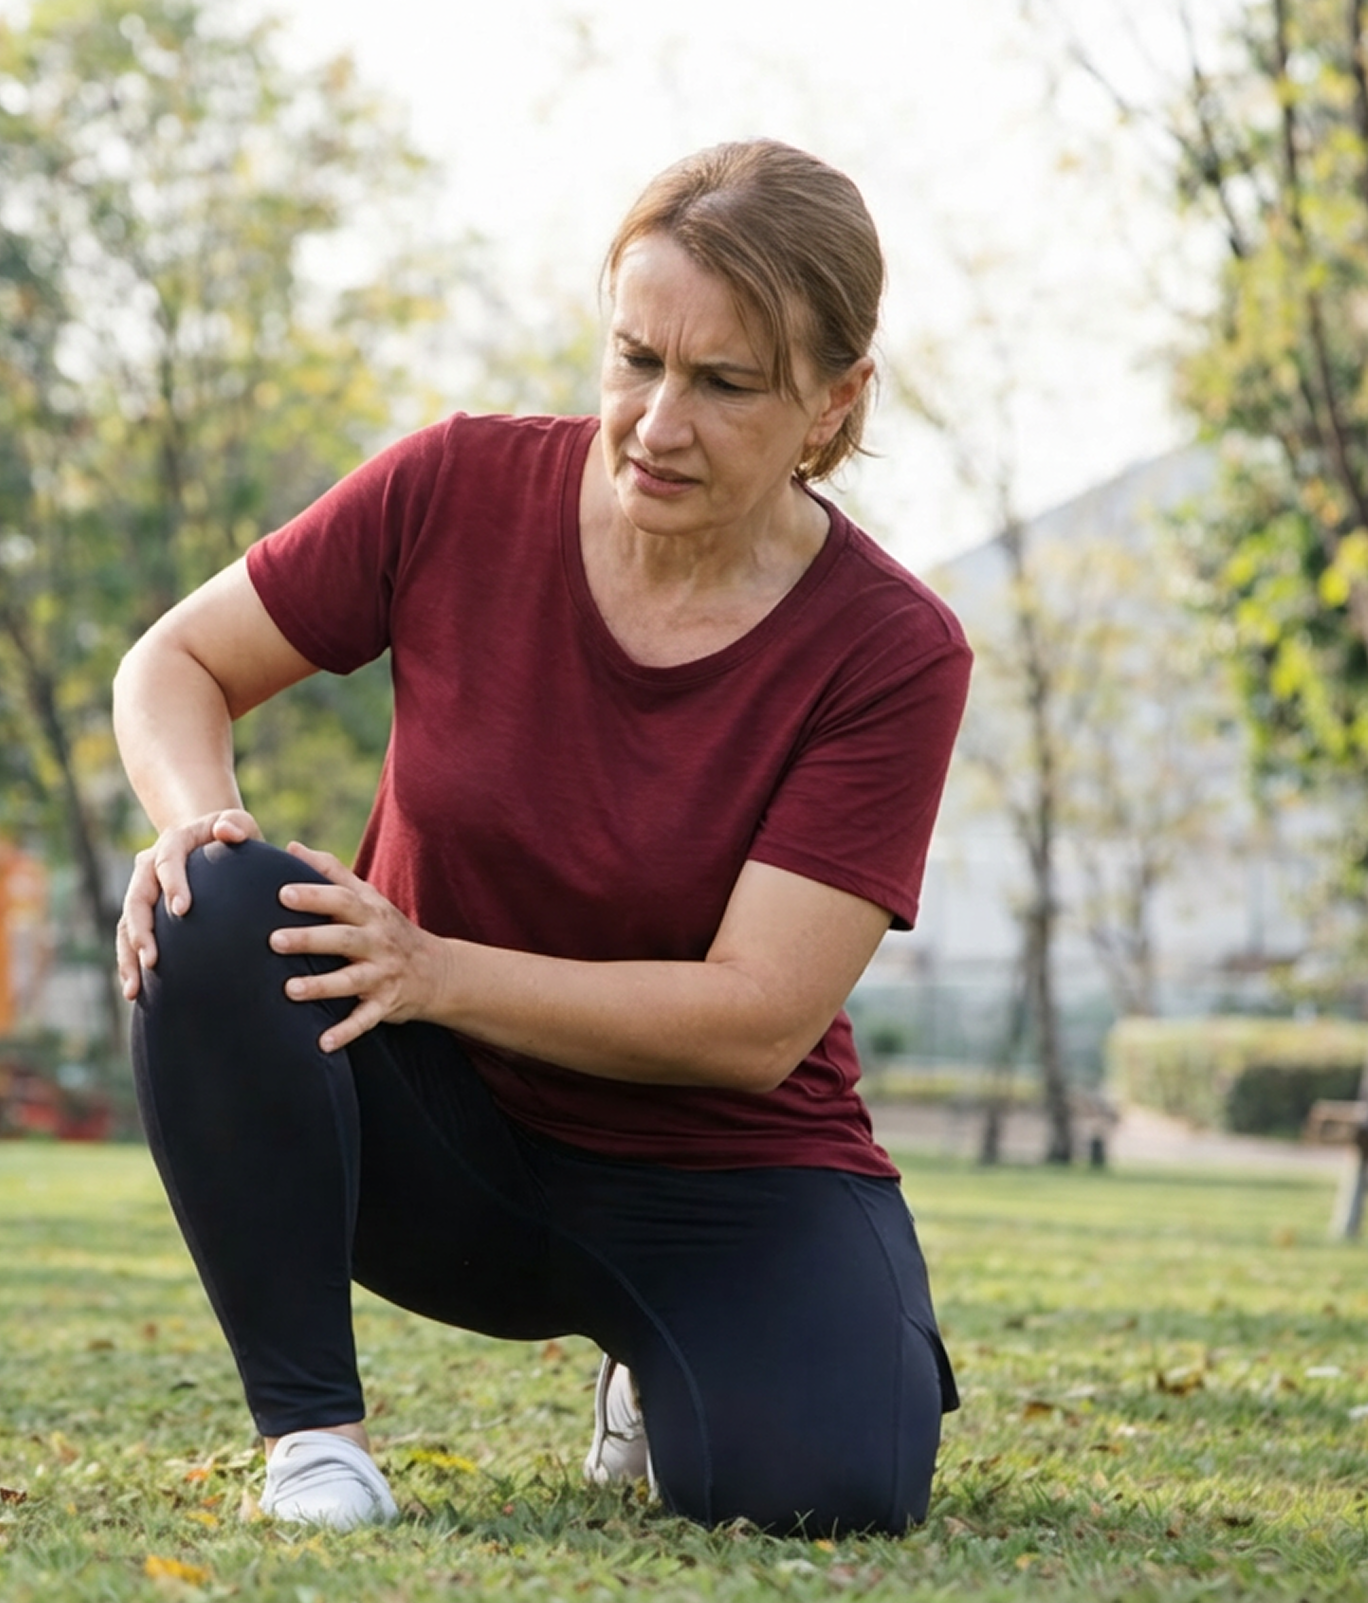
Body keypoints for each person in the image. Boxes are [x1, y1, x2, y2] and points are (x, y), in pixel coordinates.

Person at [113, 139, 971, 1538]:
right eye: (635, 358)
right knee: (213, 902)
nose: (656, 421)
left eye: (725, 383)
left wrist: (435, 966)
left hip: (722, 1164)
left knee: (829, 1488)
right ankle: (313, 1444)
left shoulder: (892, 651)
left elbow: (756, 1019)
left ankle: (688, 1363)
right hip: (440, 1137)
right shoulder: (453, 488)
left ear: (834, 401)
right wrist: (194, 819)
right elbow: (174, 665)